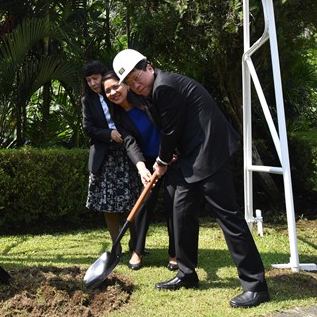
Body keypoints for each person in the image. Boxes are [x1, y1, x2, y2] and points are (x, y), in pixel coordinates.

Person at [112, 49, 270, 309]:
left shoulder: (164, 86)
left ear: (148, 67)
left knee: (228, 217)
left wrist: (162, 162)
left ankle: (256, 286)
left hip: (210, 153)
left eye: (136, 76)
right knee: (181, 213)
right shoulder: (152, 93)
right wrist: (170, 154)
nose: (135, 84)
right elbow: (176, 127)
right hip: (190, 156)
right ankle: (186, 273)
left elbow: (172, 129)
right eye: (129, 83)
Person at [101, 70, 177, 271]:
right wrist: (141, 167)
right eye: (107, 91)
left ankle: (174, 253)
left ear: (126, 84)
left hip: (173, 157)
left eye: (116, 86)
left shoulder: (146, 99)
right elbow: (130, 142)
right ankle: (137, 250)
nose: (113, 92)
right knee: (143, 203)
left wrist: (172, 152)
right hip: (151, 161)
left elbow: (168, 126)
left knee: (174, 203)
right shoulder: (118, 115)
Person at [82, 62, 141, 253]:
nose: (92, 83)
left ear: (104, 75)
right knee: (108, 203)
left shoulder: (118, 92)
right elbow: (88, 128)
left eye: (95, 78)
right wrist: (109, 134)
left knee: (133, 200)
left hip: (128, 152)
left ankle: (136, 244)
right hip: (104, 156)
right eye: (89, 80)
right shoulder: (87, 101)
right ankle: (116, 245)